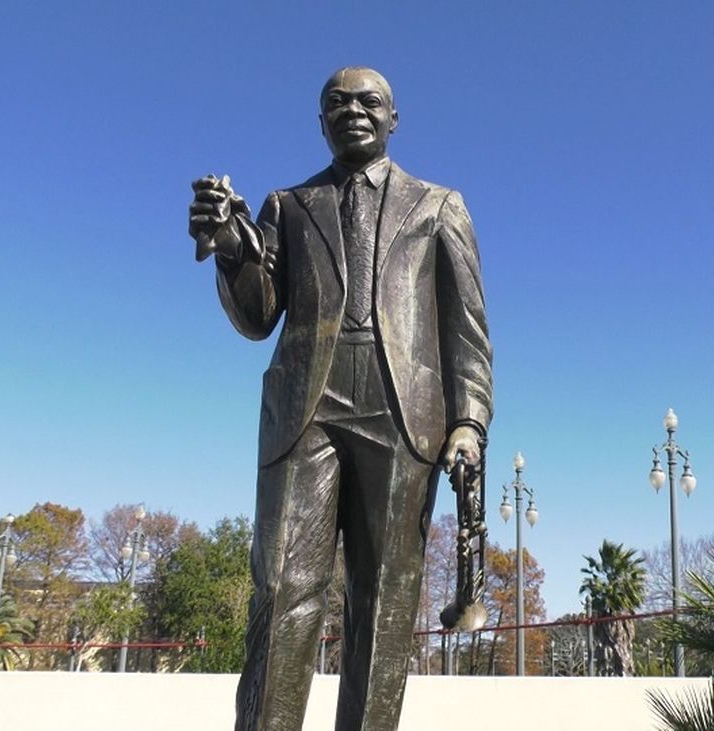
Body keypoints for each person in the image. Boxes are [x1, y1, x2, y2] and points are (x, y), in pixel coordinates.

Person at [187, 66, 493, 731]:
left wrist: (468, 421)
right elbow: (256, 317)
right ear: (320, 121)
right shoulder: (286, 206)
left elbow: (465, 329)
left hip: (404, 410)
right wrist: (233, 248)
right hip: (306, 407)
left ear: (392, 119)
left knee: (383, 601)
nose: (351, 109)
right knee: (282, 589)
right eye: (335, 102)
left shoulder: (440, 205)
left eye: (368, 101)